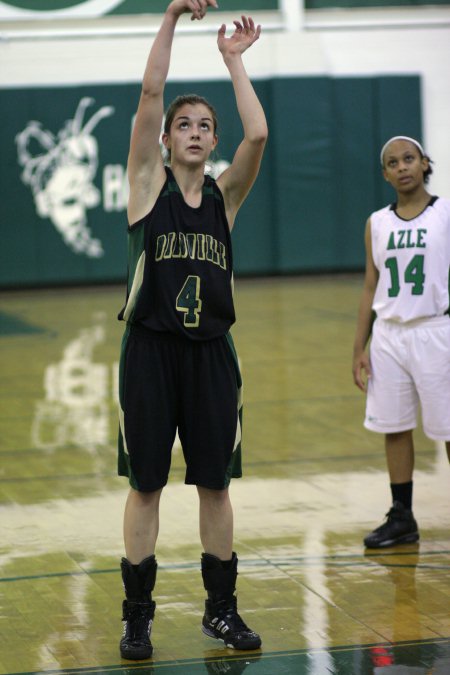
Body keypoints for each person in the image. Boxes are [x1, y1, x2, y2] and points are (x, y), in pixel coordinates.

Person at [116, 0, 268, 660]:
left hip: (212, 355)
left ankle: (221, 611)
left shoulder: (226, 198)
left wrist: (234, 62)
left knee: (215, 483)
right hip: (148, 353)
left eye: (207, 125)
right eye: (187, 125)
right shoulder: (148, 188)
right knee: (145, 484)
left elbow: (257, 136)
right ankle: (138, 617)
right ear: (168, 139)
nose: (199, 133)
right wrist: (174, 16)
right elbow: (152, 90)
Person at [352, 135, 450, 549]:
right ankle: (402, 515)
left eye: (409, 158)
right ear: (385, 174)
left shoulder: (444, 212)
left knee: (448, 429)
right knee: (394, 426)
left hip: (435, 330)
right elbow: (370, 286)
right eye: (393, 163)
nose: (402, 166)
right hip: (389, 336)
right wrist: (359, 346)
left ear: (425, 163)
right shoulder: (377, 222)